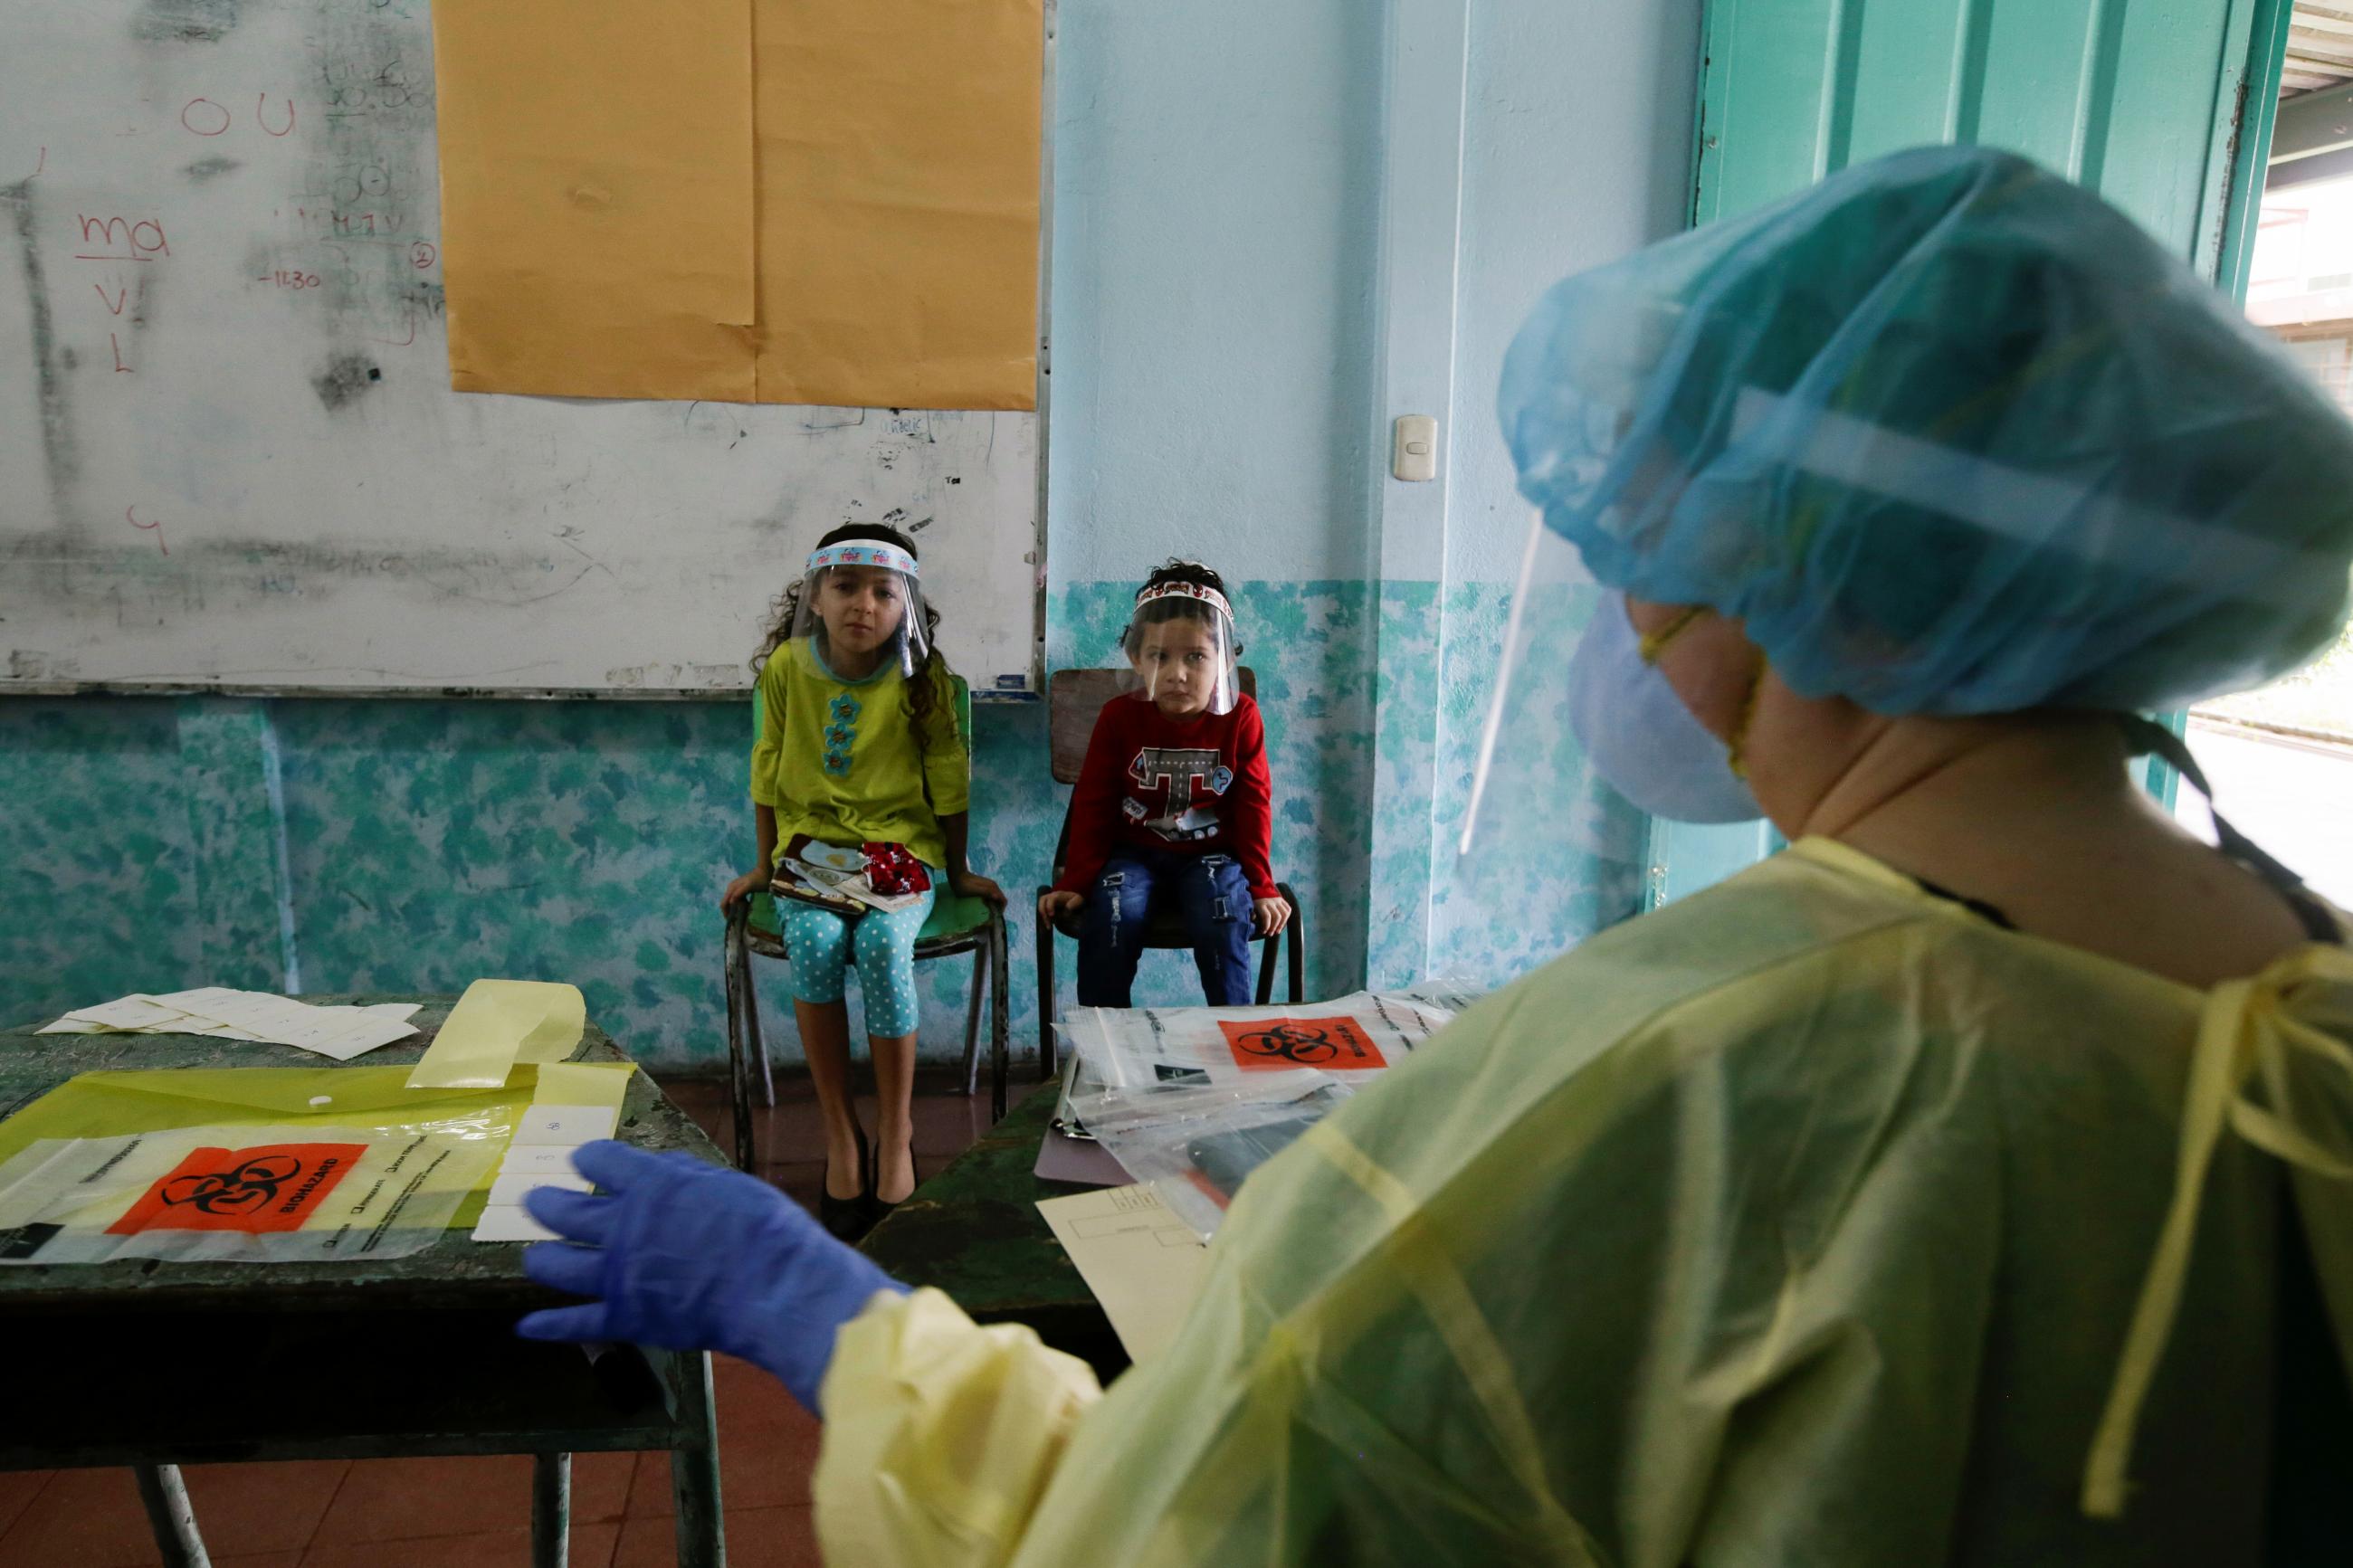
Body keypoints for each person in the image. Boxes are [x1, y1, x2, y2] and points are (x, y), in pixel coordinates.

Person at [530, 146, 2353, 1564]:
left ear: (1774, 565)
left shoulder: (1686, 1065)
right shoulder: (2308, 1016)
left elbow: (1171, 1524)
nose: (1621, 587)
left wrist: (836, 1322)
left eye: (1646, 518)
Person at [719, 523, 1004, 1240]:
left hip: (900, 855)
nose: (863, 605)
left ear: (904, 604)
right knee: (814, 942)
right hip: (809, 854)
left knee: (882, 947)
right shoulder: (786, 669)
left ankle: (897, 1129)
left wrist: (959, 868)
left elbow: (949, 784)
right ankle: (842, 1134)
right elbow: (765, 772)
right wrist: (764, 863)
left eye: (884, 591)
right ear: (814, 595)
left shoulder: (922, 679)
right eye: (845, 586)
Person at [1037, 560, 1291, 1006]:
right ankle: (1106, 1043)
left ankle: (1233, 1037)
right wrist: (1076, 880)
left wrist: (1262, 886)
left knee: (1224, 912)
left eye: (1196, 656)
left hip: (1211, 856)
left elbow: (1253, 806)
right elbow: (1094, 802)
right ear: (1137, 659)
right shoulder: (1119, 717)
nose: (1177, 673)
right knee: (1115, 912)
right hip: (1134, 854)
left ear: (1225, 659)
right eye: (1160, 656)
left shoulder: (1241, 717)